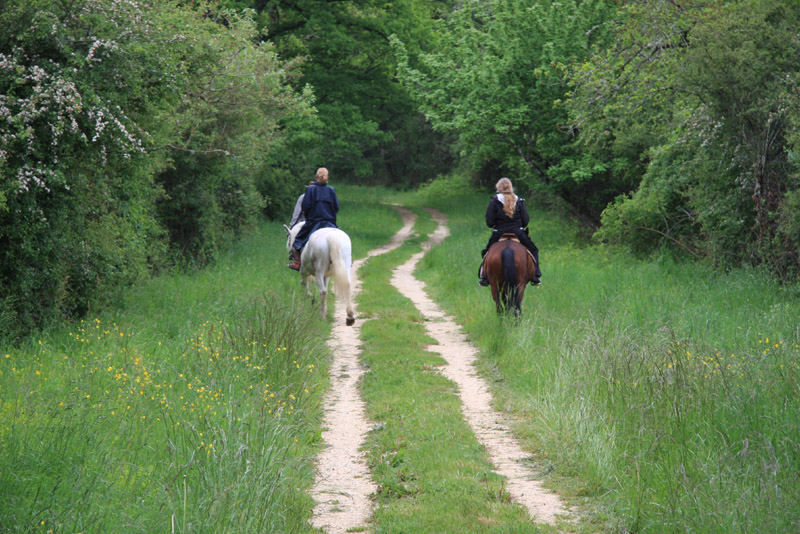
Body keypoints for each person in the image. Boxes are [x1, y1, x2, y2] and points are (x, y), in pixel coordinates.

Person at [478, 177, 541, 286]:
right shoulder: (519, 200)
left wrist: (496, 224)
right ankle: (536, 275)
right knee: (534, 250)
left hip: (499, 231)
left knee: (486, 252)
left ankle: (484, 276)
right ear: (511, 187)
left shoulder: (494, 200)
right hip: (518, 232)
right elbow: (525, 221)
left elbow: (489, 221)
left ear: (498, 188)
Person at [288, 167, 339, 270]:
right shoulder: (331, 190)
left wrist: (309, 217)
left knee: (298, 240)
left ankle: (298, 262)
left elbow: (306, 206)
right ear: (327, 177)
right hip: (330, 223)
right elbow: (336, 207)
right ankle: (346, 260)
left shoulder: (310, 189)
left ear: (316, 177)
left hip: (314, 223)